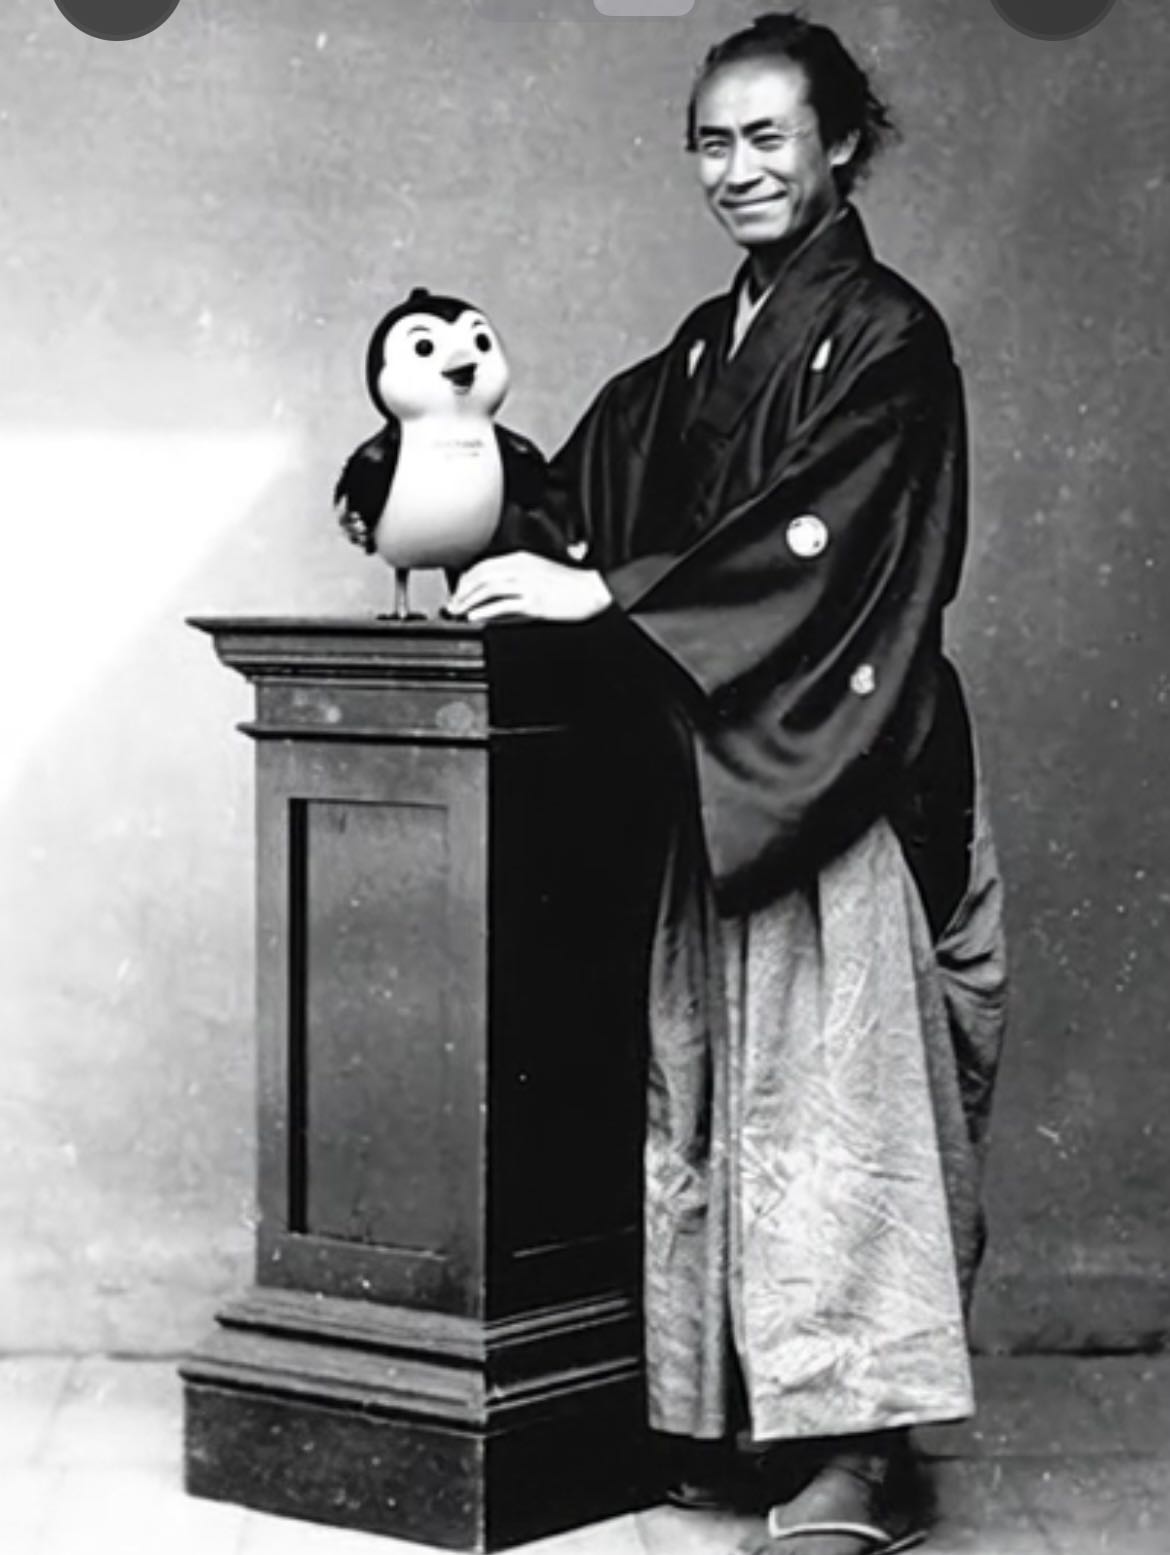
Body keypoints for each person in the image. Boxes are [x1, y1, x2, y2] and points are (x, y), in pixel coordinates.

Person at [448, 13, 1007, 1554]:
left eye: (768, 135)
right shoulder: (706, 348)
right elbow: (584, 488)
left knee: (838, 1103)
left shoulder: (886, 339)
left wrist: (612, 593)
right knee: (714, 1091)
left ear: (841, 145)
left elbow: (824, 543)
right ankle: (741, 1421)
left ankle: (860, 1455)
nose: (737, 167)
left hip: (836, 759)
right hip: (726, 764)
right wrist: (441, 459)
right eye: (711, 139)